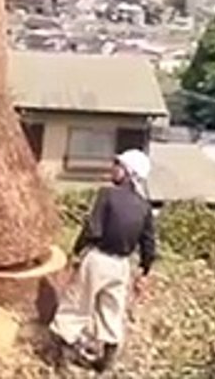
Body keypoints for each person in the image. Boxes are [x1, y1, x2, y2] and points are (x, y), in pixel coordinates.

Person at [48, 148, 157, 374]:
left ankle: (62, 360)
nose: (113, 168)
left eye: (118, 165)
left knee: (77, 304)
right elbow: (148, 243)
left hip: (98, 258)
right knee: (112, 309)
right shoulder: (144, 207)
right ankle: (106, 362)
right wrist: (144, 270)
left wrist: (76, 251)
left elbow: (92, 228)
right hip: (121, 266)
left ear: (128, 172)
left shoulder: (107, 195)